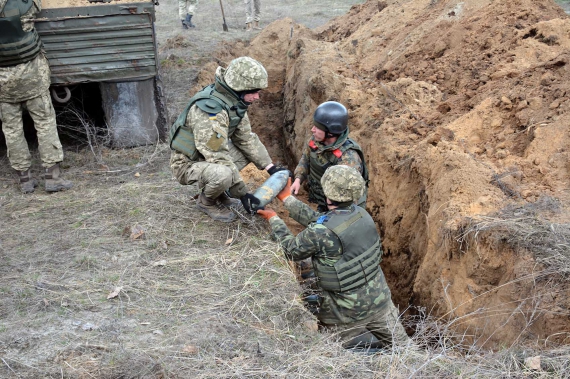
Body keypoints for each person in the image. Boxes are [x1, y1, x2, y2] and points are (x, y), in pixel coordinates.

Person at [257, 165, 412, 350]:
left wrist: (273, 218)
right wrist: (288, 200)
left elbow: (291, 250)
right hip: (381, 303)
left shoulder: (320, 232)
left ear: (327, 192)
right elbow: (322, 220)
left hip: (345, 313)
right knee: (405, 349)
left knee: (338, 356)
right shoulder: (361, 214)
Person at [169, 56, 286, 223]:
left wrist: (270, 167)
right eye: (253, 92)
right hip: (187, 163)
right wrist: (244, 194)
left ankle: (220, 194)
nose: (257, 97)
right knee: (224, 173)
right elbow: (217, 156)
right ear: (240, 87)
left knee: (245, 154)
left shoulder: (234, 102)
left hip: (206, 155)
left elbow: (246, 139)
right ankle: (207, 202)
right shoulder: (211, 111)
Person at [0, 0, 73, 194]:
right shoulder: (24, 3)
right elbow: (38, 6)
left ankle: (25, 180)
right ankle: (52, 177)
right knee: (44, 122)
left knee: (11, 129)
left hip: (2, 82)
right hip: (32, 75)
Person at [290, 101, 368, 212]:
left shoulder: (348, 158)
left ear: (330, 132)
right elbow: (306, 159)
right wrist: (298, 180)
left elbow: (347, 200)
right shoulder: (316, 141)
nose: (313, 130)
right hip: (325, 200)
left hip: (341, 208)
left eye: (317, 127)